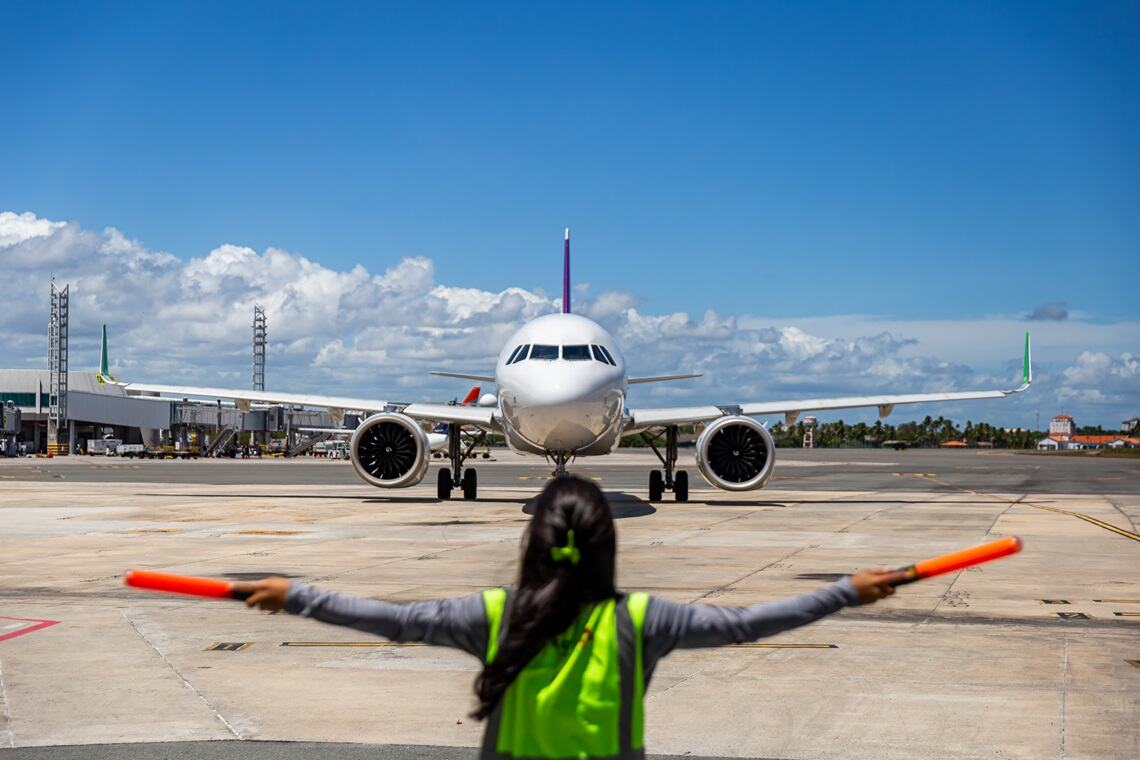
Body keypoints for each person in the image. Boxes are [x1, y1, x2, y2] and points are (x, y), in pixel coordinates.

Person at [238, 476, 905, 759]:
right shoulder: (642, 620)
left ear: (532, 543)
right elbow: (748, 623)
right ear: (607, 546)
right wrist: (845, 590)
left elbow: (394, 619)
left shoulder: (493, 614)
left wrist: (296, 595)